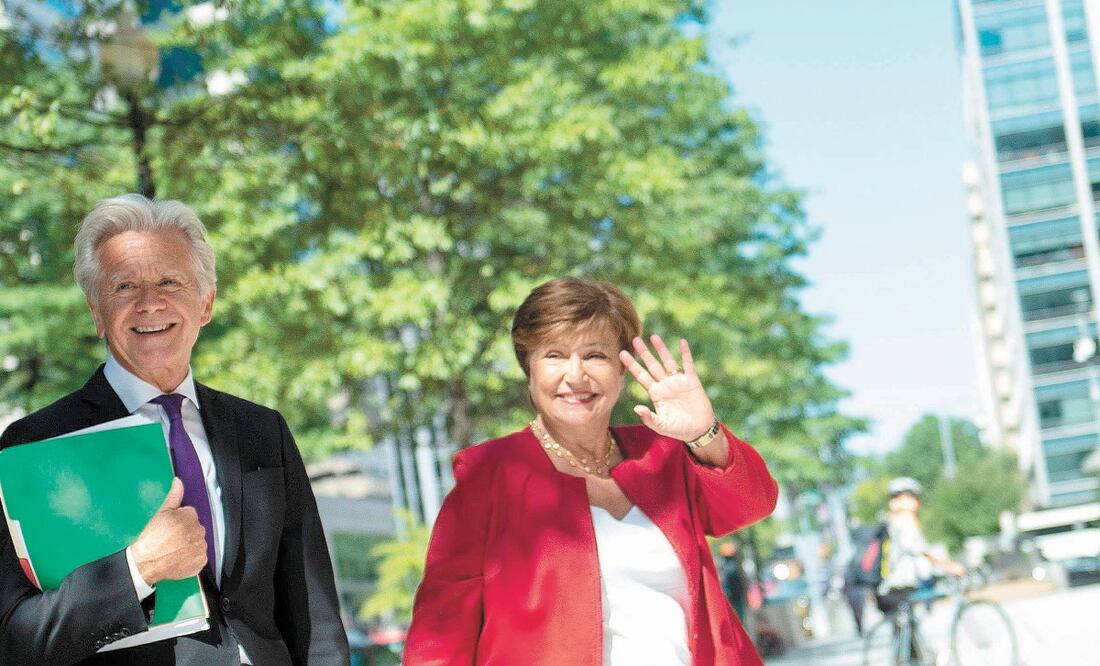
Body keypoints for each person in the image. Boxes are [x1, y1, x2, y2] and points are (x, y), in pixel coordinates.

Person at [0, 194, 350, 665]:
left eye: (170, 281)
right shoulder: (35, 446)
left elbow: (314, 611)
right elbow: (17, 639)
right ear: (96, 312)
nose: (150, 303)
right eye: (124, 287)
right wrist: (138, 570)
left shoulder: (262, 431)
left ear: (206, 303)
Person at [404, 277, 779, 665]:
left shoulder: (662, 454)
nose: (576, 375)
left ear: (621, 372)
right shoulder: (489, 475)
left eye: (595, 355)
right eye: (554, 355)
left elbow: (753, 504)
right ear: (529, 370)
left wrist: (704, 433)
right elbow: (440, 637)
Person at [875, 476, 965, 615]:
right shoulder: (904, 520)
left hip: (888, 589)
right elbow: (920, 550)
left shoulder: (891, 522)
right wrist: (948, 566)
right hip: (898, 588)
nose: (917, 501)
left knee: (906, 633)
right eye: (912, 496)